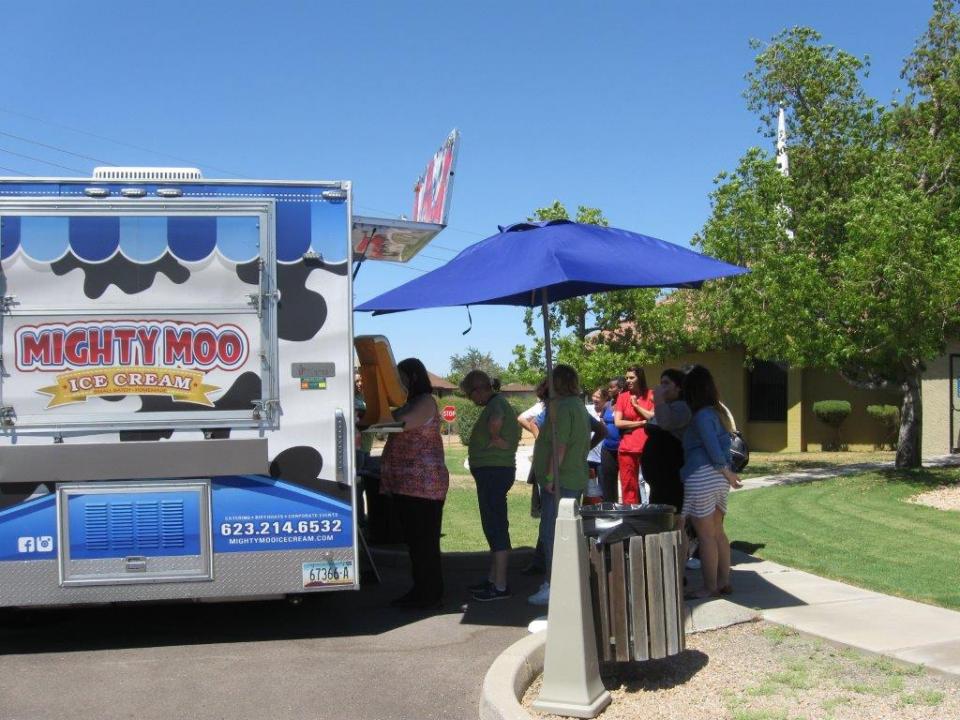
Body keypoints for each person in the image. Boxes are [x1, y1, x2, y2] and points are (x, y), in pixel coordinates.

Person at [380, 358, 450, 609]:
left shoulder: (425, 403)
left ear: (413, 377)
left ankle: (429, 594)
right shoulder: (411, 403)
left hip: (424, 487)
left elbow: (396, 424)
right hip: (408, 485)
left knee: (424, 543)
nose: (398, 382)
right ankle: (422, 589)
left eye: (401, 377)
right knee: (416, 542)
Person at [528, 364, 594, 607]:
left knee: (552, 533)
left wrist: (549, 477)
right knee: (564, 532)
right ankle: (564, 581)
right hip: (572, 477)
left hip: (561, 480)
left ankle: (553, 584)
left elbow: (560, 446)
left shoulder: (564, 407)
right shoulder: (576, 404)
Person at [680, 364, 742, 599]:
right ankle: (724, 581)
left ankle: (710, 586)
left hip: (702, 476)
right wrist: (726, 474)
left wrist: (727, 473)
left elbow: (712, 447)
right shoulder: (717, 414)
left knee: (706, 535)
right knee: (717, 533)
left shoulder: (702, 416)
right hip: (717, 479)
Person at [460, 370, 522, 601]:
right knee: (493, 525)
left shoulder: (497, 405)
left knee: (495, 526)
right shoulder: (498, 403)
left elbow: (496, 421)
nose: (471, 399)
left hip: (494, 472)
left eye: (469, 394)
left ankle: (501, 586)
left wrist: (495, 438)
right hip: (493, 472)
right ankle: (493, 579)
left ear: (479, 389)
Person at [641, 368, 692, 560]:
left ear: (679, 388)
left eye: (666, 384)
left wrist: (659, 400)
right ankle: (664, 563)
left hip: (671, 477)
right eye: (660, 383)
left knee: (674, 521)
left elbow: (664, 423)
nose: (661, 388)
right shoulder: (666, 407)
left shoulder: (681, 408)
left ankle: (677, 568)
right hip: (658, 480)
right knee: (661, 522)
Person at [614, 366, 655, 504]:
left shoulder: (651, 395)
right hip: (627, 447)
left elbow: (653, 417)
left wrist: (637, 406)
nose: (628, 381)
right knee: (628, 485)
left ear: (640, 378)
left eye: (632, 377)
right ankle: (631, 516)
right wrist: (641, 423)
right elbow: (618, 423)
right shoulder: (622, 397)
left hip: (648, 445)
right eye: (626, 378)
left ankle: (652, 513)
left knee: (653, 482)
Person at [600, 377, 624, 502]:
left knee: (627, 481)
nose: (608, 389)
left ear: (620, 388)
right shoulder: (607, 405)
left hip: (623, 447)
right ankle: (610, 508)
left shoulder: (627, 403)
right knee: (608, 480)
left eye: (611, 387)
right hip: (607, 448)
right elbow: (602, 420)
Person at [585, 387, 608, 502]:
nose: (594, 399)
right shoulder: (587, 409)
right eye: (593, 396)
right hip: (589, 455)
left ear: (605, 399)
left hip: (602, 455)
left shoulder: (608, 410)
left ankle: (604, 508)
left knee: (604, 486)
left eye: (598, 397)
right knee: (589, 488)